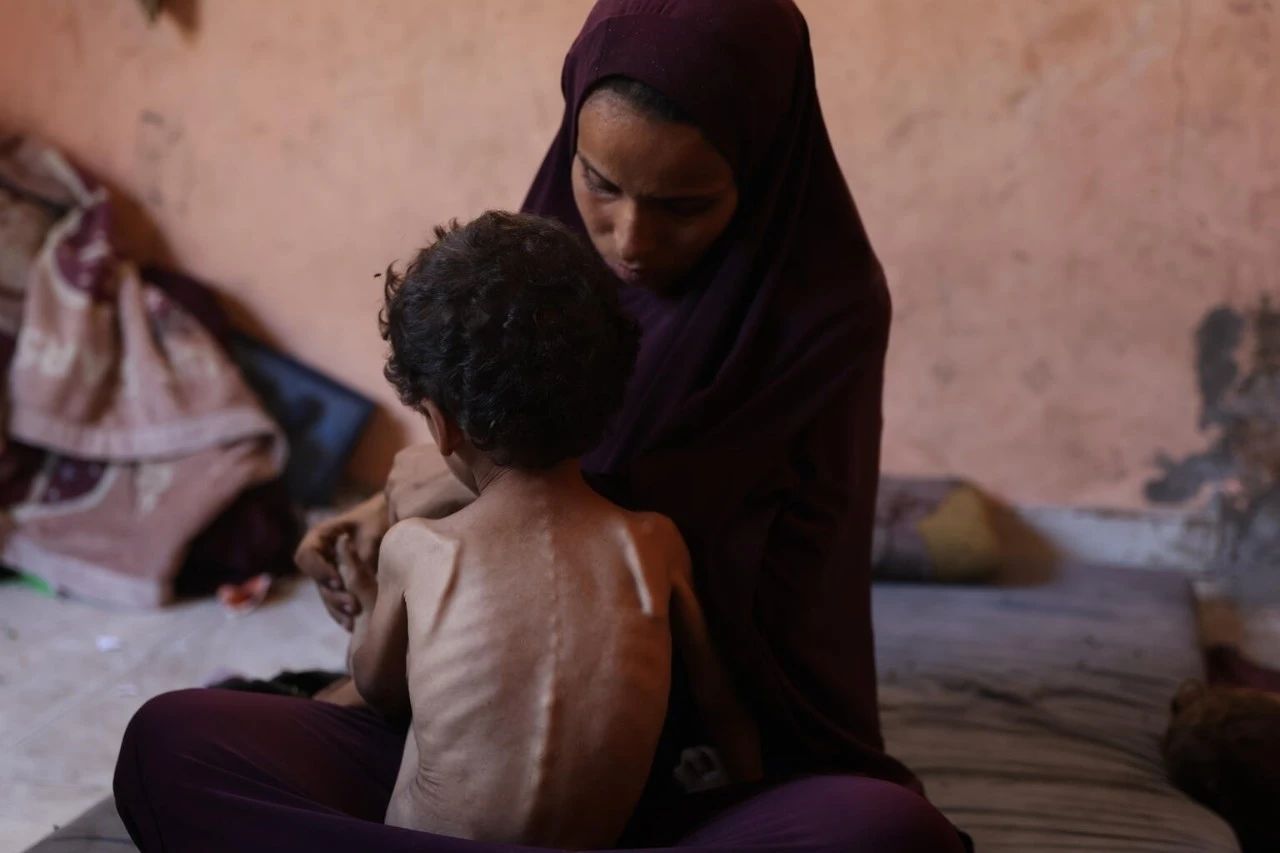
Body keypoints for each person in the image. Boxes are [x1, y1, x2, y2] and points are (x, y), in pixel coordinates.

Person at [114, 1, 970, 850]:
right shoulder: (553, 260)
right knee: (170, 742)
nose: (628, 239)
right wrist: (388, 513)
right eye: (599, 182)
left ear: (762, 168)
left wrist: (436, 494)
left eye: (685, 204)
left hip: (661, 748)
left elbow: (689, 530)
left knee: (885, 831)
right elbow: (525, 446)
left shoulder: (823, 309)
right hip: (484, 730)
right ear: (571, 142)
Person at [339, 211, 761, 847]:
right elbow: (722, 707)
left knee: (176, 732)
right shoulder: (652, 544)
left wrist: (369, 603)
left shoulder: (421, 548)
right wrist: (735, 803)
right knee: (877, 819)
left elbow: (375, 689)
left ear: (440, 423)